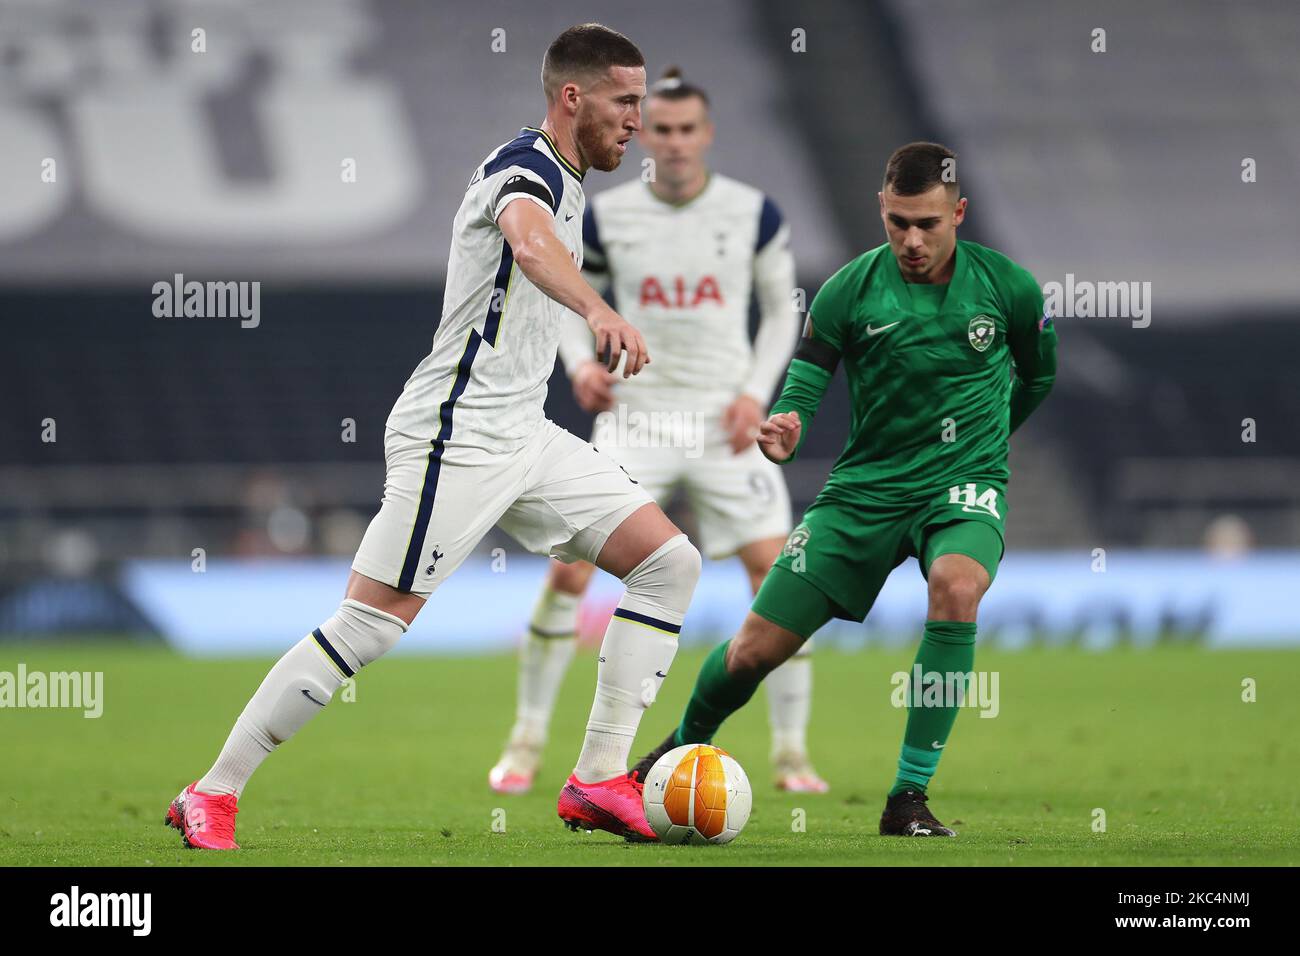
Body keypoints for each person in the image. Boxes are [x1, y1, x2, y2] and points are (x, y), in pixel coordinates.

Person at [166, 23, 697, 848]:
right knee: (369, 626)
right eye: (625, 102)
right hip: (457, 435)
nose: (637, 119)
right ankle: (213, 790)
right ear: (572, 97)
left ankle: (596, 777)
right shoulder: (522, 168)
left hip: (525, 432)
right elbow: (527, 245)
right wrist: (596, 308)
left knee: (669, 563)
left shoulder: (570, 176)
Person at [630, 142, 1058, 837]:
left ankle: (908, 798)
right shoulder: (848, 290)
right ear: (881, 211)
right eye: (898, 223)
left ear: (959, 212)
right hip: (864, 491)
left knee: (956, 585)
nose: (912, 240)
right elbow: (808, 373)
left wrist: (985, 448)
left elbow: (1037, 376)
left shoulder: (1010, 288)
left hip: (963, 485)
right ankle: (677, 745)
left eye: (928, 223)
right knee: (752, 651)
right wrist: (790, 422)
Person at [488, 67, 829, 798]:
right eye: (661, 129)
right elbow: (568, 290)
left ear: (705, 134)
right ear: (647, 135)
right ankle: (527, 739)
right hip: (636, 418)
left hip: (723, 424)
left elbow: (781, 314)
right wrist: (579, 363)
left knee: (780, 580)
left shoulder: (755, 214)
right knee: (569, 572)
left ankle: (794, 754)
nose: (673, 142)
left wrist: (751, 394)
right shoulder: (609, 215)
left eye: (686, 129)